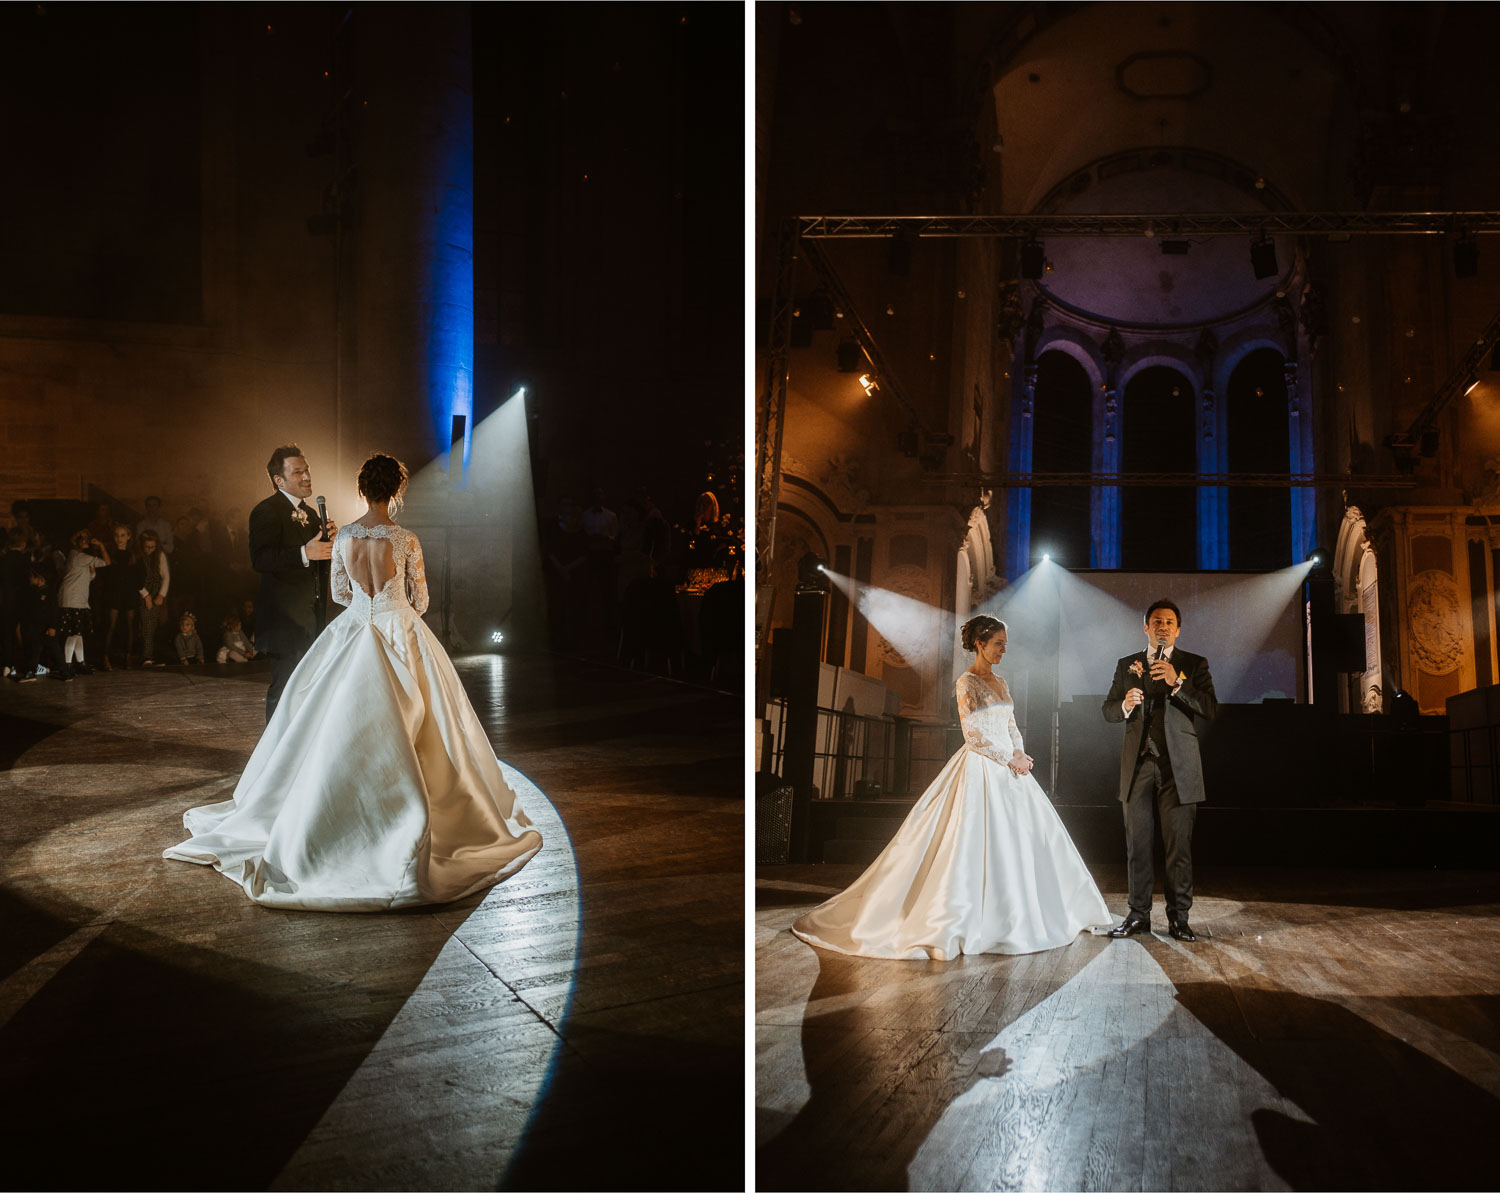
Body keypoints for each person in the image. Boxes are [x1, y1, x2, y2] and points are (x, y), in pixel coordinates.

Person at [163, 452, 544, 910]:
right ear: (397, 491)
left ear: (362, 490)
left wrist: (366, 611)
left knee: (330, 718)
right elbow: (419, 599)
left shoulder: (343, 535)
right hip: (397, 628)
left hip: (354, 629)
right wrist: (392, 613)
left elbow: (341, 593)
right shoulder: (405, 539)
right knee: (424, 724)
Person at [791, 614, 1112, 959]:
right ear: (980, 644)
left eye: (1005, 643)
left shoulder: (1001, 683)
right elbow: (973, 736)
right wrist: (1009, 758)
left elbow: (1011, 724)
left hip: (1011, 769)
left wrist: (1020, 751)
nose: (1004, 649)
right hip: (983, 768)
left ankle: (1027, 914)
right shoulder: (967, 682)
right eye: (999, 643)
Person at [1101, 598, 1218, 943]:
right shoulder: (1128, 664)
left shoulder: (1193, 664)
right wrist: (1124, 705)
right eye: (1156, 621)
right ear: (1145, 627)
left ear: (1178, 629)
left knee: (1177, 847)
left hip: (1178, 767)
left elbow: (1210, 708)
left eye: (1169, 622)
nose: (1162, 626)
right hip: (1138, 765)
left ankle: (1179, 919)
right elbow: (1107, 709)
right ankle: (1138, 916)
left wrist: (1177, 683)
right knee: (1137, 844)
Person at [249, 444, 334, 721]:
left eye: (307, 470)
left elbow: (319, 564)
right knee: (285, 691)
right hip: (284, 622)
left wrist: (331, 543)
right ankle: (275, 757)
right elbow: (260, 559)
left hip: (313, 618)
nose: (307, 476)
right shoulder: (266, 511)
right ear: (279, 479)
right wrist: (304, 553)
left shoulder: (310, 514)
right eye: (298, 472)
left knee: (311, 692)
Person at [58, 529, 111, 676]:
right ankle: (67, 665)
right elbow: (107, 562)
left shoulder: (79, 557)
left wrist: (92, 570)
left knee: (78, 633)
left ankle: (80, 662)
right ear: (77, 542)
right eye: (83, 539)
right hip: (72, 600)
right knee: (73, 634)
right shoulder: (79, 556)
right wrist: (101, 546)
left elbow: (89, 577)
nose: (87, 541)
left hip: (78, 599)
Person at [137, 530, 170, 667]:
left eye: (152, 547)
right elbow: (136, 579)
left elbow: (166, 576)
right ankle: (147, 657)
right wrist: (146, 595)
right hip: (144, 593)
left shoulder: (160, 555)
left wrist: (161, 594)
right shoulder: (138, 557)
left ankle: (154, 655)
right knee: (147, 626)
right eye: (147, 547)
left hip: (157, 593)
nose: (150, 550)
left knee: (157, 624)